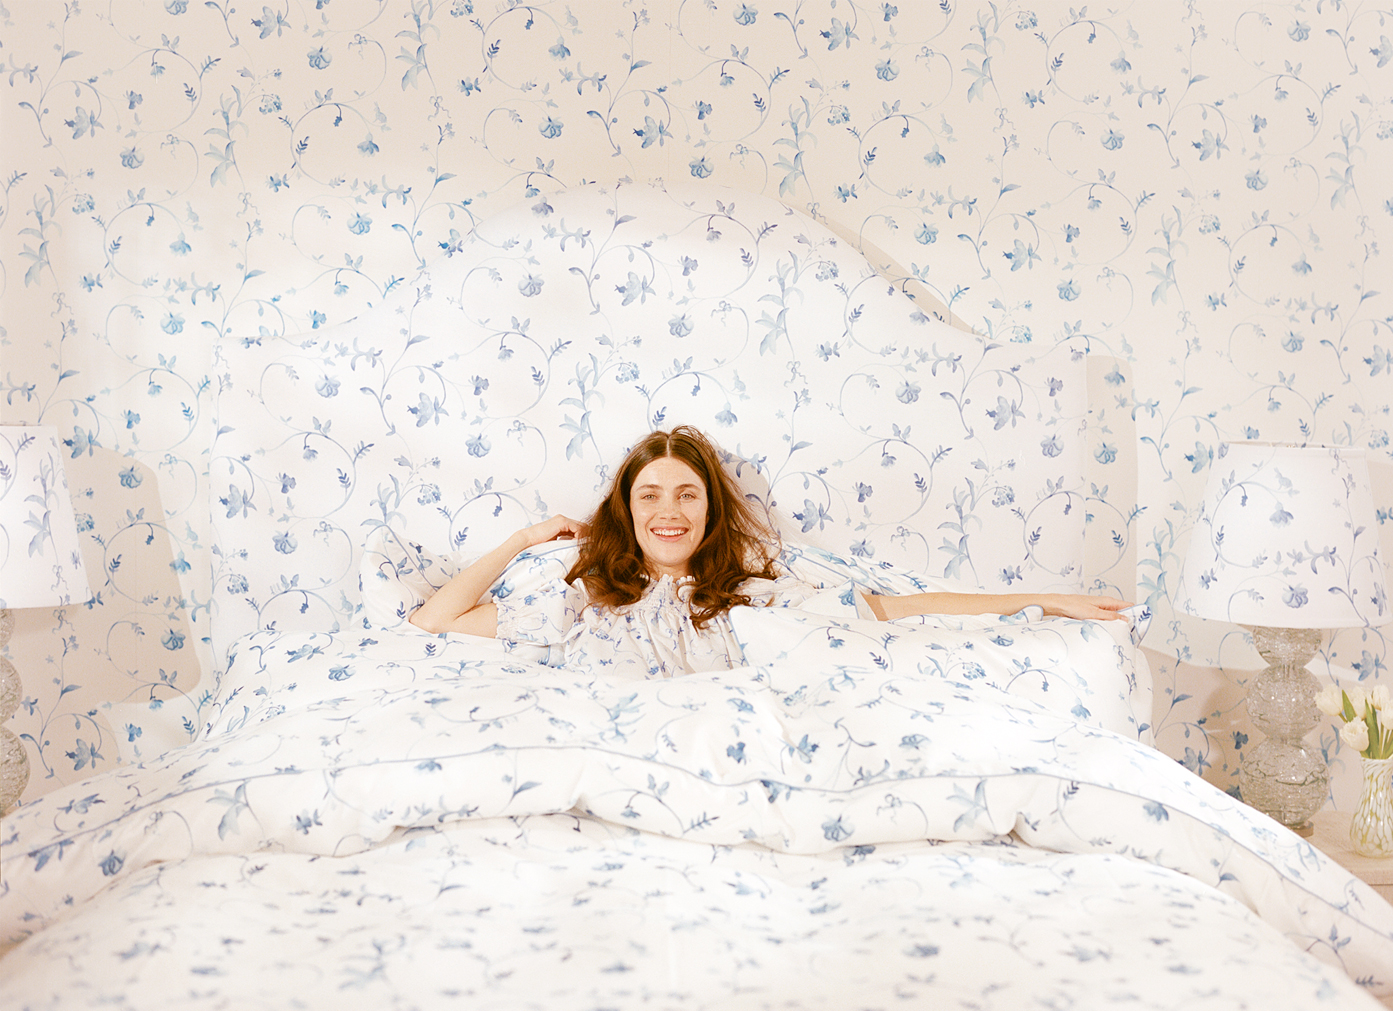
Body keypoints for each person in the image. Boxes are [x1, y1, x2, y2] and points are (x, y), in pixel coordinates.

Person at [410, 426, 1132, 678]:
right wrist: (523, 539)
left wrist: (1040, 600)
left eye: (686, 494)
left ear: (709, 509)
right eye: (649, 495)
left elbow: (892, 610)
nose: (668, 511)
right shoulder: (581, 604)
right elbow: (432, 622)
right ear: (625, 513)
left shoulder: (749, 593)